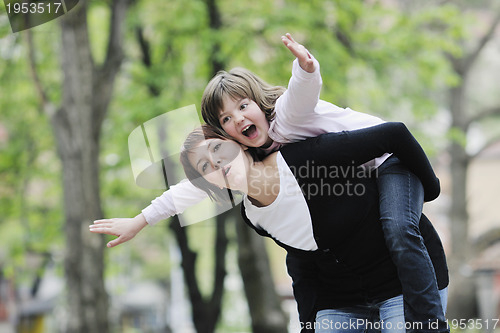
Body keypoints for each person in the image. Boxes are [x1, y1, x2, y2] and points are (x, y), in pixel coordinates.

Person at [90, 33, 446, 331]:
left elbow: (304, 94)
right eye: (226, 119)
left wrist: (306, 68)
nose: (238, 119)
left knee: (399, 228)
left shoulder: (288, 125)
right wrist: (140, 221)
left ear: (257, 102)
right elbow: (299, 259)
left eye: (243, 107)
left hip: (392, 162)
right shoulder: (251, 194)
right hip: (351, 292)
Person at [178, 122, 449, 333]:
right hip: (341, 300)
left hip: (401, 283)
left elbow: (395, 134)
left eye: (216, 148)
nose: (215, 163)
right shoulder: (252, 215)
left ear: (238, 143)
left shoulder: (305, 157)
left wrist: (430, 189)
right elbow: (301, 259)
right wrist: (309, 324)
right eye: (204, 167)